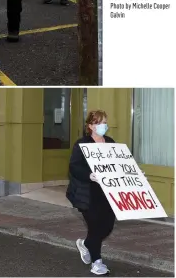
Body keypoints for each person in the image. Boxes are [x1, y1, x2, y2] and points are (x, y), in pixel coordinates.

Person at [66, 110, 116, 276]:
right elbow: (74, 167)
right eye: (100, 123)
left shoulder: (110, 142)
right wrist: (89, 175)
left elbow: (118, 164)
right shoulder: (82, 144)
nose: (104, 126)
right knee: (95, 227)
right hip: (88, 193)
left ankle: (86, 244)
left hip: (107, 193)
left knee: (107, 226)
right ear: (91, 126)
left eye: (105, 122)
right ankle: (97, 262)